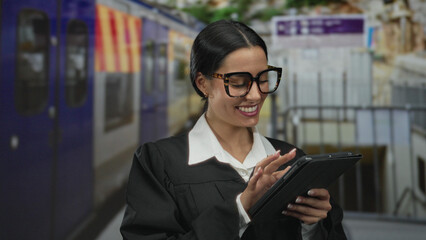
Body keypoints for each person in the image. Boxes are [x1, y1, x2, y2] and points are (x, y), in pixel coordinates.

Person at [120, 19, 346, 240]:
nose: (256, 95)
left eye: (263, 78)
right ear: (203, 83)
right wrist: (240, 211)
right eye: (238, 82)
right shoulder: (159, 163)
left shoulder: (292, 161)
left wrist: (312, 226)